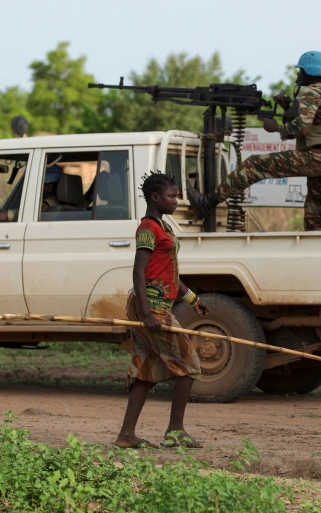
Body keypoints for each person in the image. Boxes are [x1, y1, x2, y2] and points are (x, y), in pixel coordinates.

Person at [188, 51, 321, 231]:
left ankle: (206, 202)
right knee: (315, 210)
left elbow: (303, 127)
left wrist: (276, 128)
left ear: (310, 72)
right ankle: (313, 244)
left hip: (317, 157)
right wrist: (286, 108)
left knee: (254, 164)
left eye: (301, 71)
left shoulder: (311, 92)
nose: (298, 75)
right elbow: (314, 126)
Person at [115, 173, 210, 450]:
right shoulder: (148, 228)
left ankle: (126, 435)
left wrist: (193, 299)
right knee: (189, 364)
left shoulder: (163, 227)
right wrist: (146, 314)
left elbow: (169, 273)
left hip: (157, 305)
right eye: (172, 196)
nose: (177, 201)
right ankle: (175, 431)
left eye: (177, 195)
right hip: (151, 307)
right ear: (155, 198)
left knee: (147, 369)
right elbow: (138, 272)